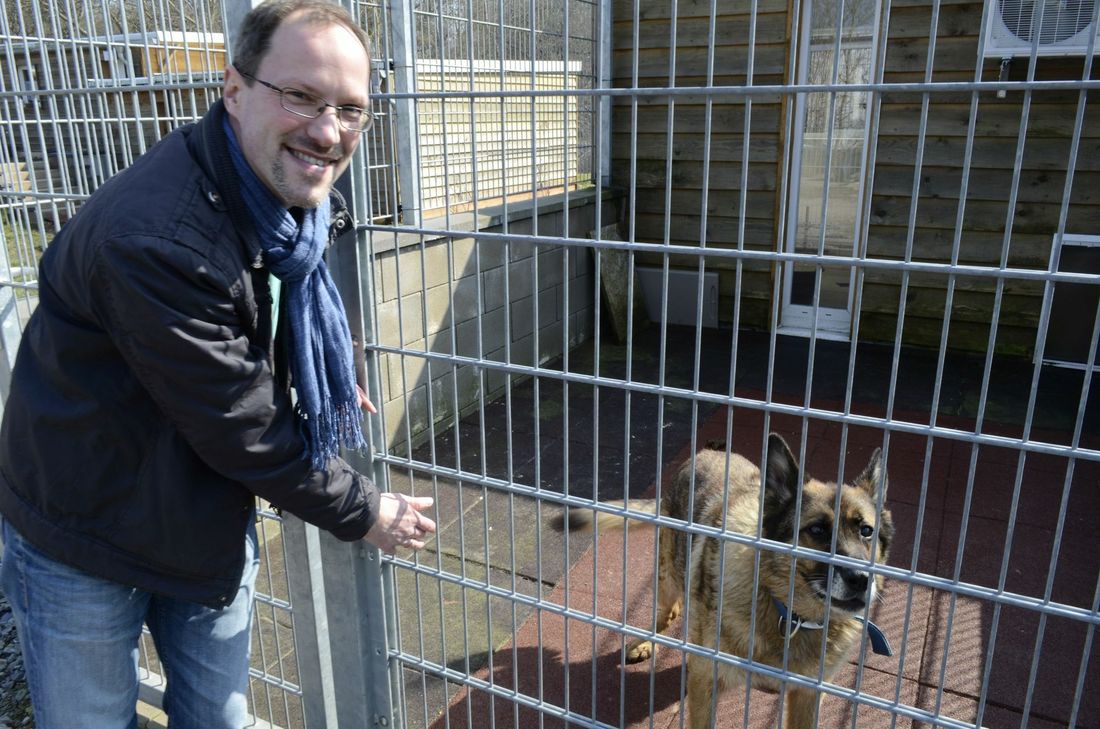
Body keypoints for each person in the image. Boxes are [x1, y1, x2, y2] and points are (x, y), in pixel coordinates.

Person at [0, 1, 435, 726]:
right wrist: (365, 510)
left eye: (351, 109)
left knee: (220, 718)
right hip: (82, 527)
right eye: (300, 95)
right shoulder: (159, 242)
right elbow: (243, 427)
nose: (328, 131)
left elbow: (251, 319)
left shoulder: (281, 199)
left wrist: (313, 361)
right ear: (234, 89)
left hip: (198, 507)